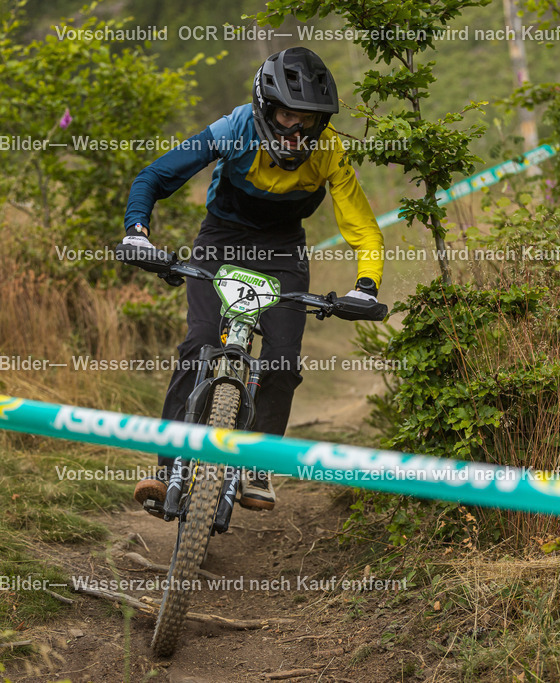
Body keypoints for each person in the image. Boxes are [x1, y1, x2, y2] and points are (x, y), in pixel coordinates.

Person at [120, 47, 384, 514]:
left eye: (308, 120)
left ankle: (257, 465)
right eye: (287, 116)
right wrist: (137, 233)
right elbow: (155, 176)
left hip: (283, 251)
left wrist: (366, 286)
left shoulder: (328, 151)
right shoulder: (234, 129)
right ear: (265, 108)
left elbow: (362, 226)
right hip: (221, 240)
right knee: (199, 343)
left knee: (282, 361)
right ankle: (167, 469)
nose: (296, 132)